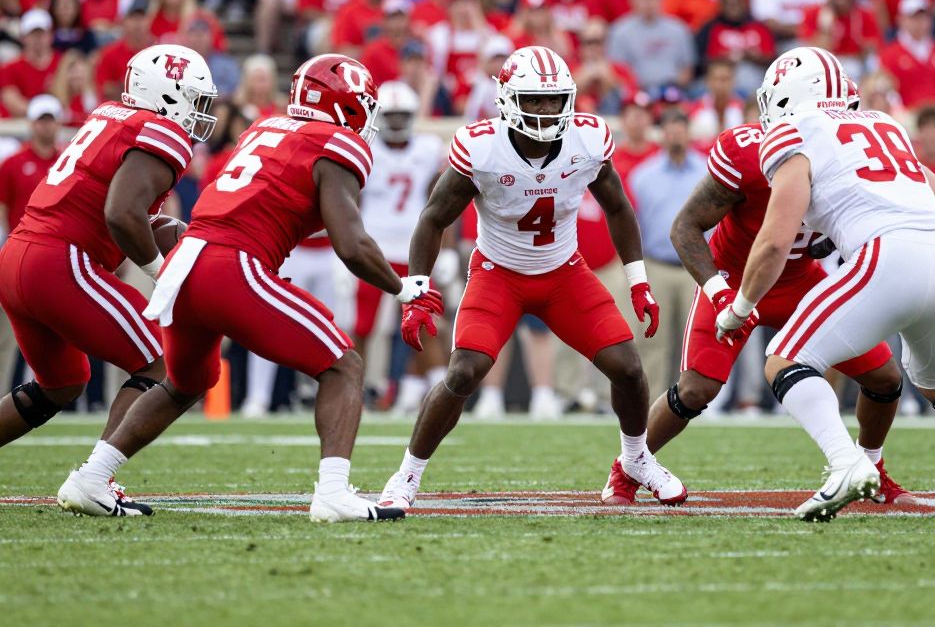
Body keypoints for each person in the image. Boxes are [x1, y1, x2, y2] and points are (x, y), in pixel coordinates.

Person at [58, 54, 431, 522]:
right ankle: (333, 492)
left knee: (185, 382)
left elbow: (271, 204)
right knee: (343, 366)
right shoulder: (336, 143)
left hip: (188, 264)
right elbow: (351, 245)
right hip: (232, 265)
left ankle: (93, 475)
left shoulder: (265, 128)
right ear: (348, 107)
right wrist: (403, 288)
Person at [715, 46, 935, 519]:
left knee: (785, 361)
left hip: (888, 255)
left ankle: (847, 465)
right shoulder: (886, 125)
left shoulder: (794, 131)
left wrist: (739, 308)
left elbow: (775, 241)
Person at [376, 45, 685, 510]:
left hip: (564, 273)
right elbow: (433, 218)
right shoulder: (482, 147)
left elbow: (618, 207)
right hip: (498, 273)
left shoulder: (587, 140)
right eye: (534, 100)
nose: (545, 110)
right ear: (506, 99)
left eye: (553, 99)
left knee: (628, 367)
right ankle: (407, 476)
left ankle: (636, 459)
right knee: (463, 372)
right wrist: (416, 290)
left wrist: (637, 280)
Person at [601, 69, 910, 507]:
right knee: (696, 389)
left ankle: (871, 470)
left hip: (800, 280)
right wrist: (719, 292)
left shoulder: (848, 152)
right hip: (734, 277)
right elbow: (685, 227)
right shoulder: (746, 150)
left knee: (884, 376)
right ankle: (626, 469)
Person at [0, 44, 217, 511]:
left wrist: (178, 236)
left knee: (61, 382)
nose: (200, 114)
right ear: (168, 95)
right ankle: (94, 480)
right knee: (164, 356)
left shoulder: (110, 116)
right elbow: (121, 213)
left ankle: (93, 478)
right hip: (59, 260)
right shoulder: (160, 132)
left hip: (21, 255)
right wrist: (164, 276)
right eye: (195, 100)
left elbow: (115, 205)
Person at [355, 81, 449, 416]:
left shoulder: (427, 148)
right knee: (362, 326)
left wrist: (447, 249)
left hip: (414, 251)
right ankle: (354, 390)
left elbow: (441, 202)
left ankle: (439, 390)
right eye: (390, 116)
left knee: (423, 323)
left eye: (401, 116)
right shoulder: (365, 148)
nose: (395, 123)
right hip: (371, 250)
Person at [626, 107, 703, 394]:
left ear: (688, 132)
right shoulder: (642, 176)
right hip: (656, 264)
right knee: (652, 336)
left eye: (680, 130)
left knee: (696, 336)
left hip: (696, 265)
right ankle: (649, 398)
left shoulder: (707, 169)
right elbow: (634, 222)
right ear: (662, 135)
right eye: (670, 131)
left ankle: (697, 396)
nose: (675, 136)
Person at [0, 94, 64, 394]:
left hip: (55, 258)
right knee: (6, 338)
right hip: (17, 254)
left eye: (50, 120)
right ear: (31, 124)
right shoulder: (14, 163)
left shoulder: (67, 162)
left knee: (57, 335)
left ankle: (57, 395)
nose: (46, 127)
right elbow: (2, 208)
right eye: (41, 121)